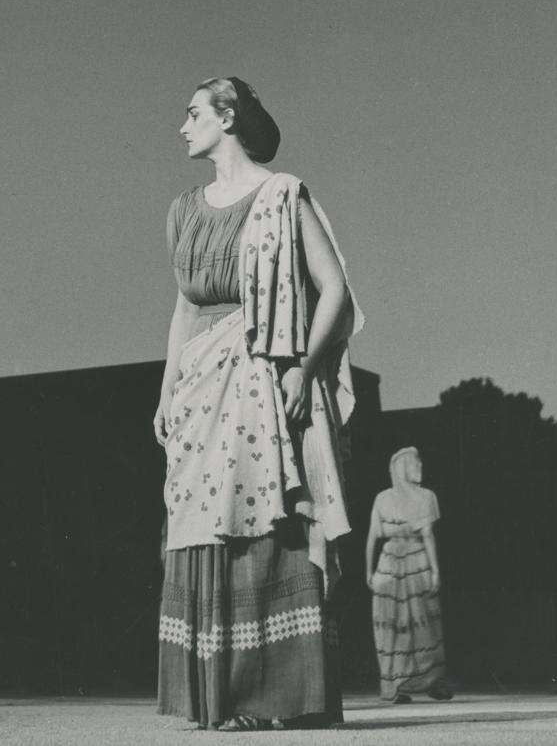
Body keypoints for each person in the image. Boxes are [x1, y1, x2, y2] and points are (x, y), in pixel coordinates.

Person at [154, 76, 362, 732]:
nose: (182, 126)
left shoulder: (282, 195)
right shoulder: (184, 210)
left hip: (262, 375)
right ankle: (217, 693)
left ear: (228, 117)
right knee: (201, 523)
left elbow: (335, 291)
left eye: (193, 113)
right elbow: (185, 308)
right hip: (200, 384)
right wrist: (166, 390)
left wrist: (302, 367)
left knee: (266, 521)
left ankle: (274, 696)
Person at [365, 447, 453, 703]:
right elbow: (372, 535)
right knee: (394, 622)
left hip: (413, 562)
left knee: (423, 620)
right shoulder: (384, 498)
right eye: (416, 463)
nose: (421, 467)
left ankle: (431, 681)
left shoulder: (426, 496)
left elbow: (427, 536)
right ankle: (396, 684)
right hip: (392, 564)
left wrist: (435, 570)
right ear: (404, 468)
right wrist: (368, 570)